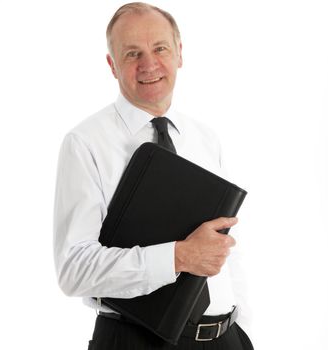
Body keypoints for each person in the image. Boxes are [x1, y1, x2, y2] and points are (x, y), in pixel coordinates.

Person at [53, 2, 254, 349]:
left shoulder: (204, 138)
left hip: (225, 338)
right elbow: (74, 269)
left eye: (160, 48)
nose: (149, 64)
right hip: (136, 340)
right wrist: (177, 257)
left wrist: (243, 327)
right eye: (132, 53)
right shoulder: (84, 143)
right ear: (112, 66)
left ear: (179, 53)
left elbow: (226, 248)